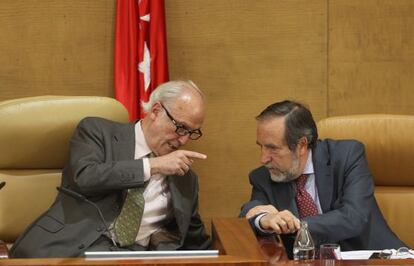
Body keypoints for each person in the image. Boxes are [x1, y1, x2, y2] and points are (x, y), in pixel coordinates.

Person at [10, 80, 211, 258]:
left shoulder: (185, 178)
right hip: (67, 249)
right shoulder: (97, 133)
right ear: (156, 111)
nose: (184, 139)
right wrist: (151, 165)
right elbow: (85, 177)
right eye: (181, 127)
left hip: (131, 258)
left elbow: (194, 238)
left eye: (192, 133)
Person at [240, 100, 406, 258]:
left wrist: (295, 224)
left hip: (375, 259)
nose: (263, 159)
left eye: (272, 148)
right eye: (261, 147)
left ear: (302, 145)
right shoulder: (264, 176)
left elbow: (353, 217)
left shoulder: (347, 156)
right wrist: (263, 220)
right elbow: (252, 210)